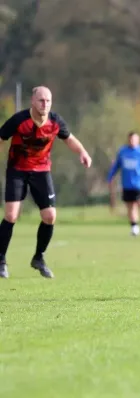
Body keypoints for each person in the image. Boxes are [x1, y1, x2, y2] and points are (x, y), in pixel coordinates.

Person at [0, 86, 92, 279]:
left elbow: (69, 139)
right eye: (41, 100)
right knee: (11, 215)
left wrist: (82, 152)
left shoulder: (55, 121)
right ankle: (1, 260)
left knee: (50, 216)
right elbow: (1, 138)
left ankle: (39, 258)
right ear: (33, 101)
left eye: (48, 100)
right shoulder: (19, 120)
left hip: (41, 172)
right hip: (17, 171)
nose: (45, 104)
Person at [107, 131, 140, 236]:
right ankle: (135, 227)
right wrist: (110, 177)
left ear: (138, 140)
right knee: (130, 206)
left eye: (134, 139)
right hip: (126, 184)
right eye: (131, 139)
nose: (132, 141)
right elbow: (116, 165)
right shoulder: (123, 152)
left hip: (138, 184)